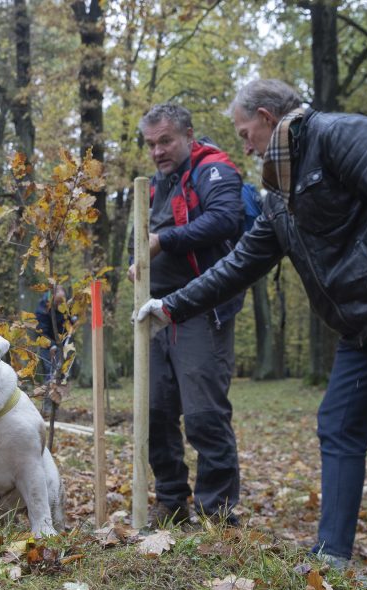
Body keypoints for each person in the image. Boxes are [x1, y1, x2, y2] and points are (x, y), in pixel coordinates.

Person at [137, 79, 367, 590]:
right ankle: (331, 556)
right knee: (337, 426)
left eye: (245, 131)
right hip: (358, 323)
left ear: (268, 117)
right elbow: (240, 264)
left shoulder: (342, 135)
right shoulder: (278, 194)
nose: (244, 144)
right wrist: (172, 305)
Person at [130, 103, 245, 527]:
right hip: (153, 311)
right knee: (156, 413)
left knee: (202, 413)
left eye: (166, 141)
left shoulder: (213, 171)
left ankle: (217, 512)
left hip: (201, 308)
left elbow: (225, 220)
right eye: (151, 144)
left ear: (188, 136)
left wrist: (165, 241)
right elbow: (144, 239)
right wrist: (138, 262)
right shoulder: (154, 186)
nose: (158, 151)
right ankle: (172, 502)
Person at [35, 284, 69, 385]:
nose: (60, 305)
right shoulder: (42, 310)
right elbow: (42, 331)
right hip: (46, 342)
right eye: (58, 302)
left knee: (60, 369)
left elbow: (65, 322)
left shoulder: (62, 308)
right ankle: (48, 396)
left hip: (59, 342)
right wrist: (51, 344)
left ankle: (58, 392)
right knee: (50, 369)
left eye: (61, 302)